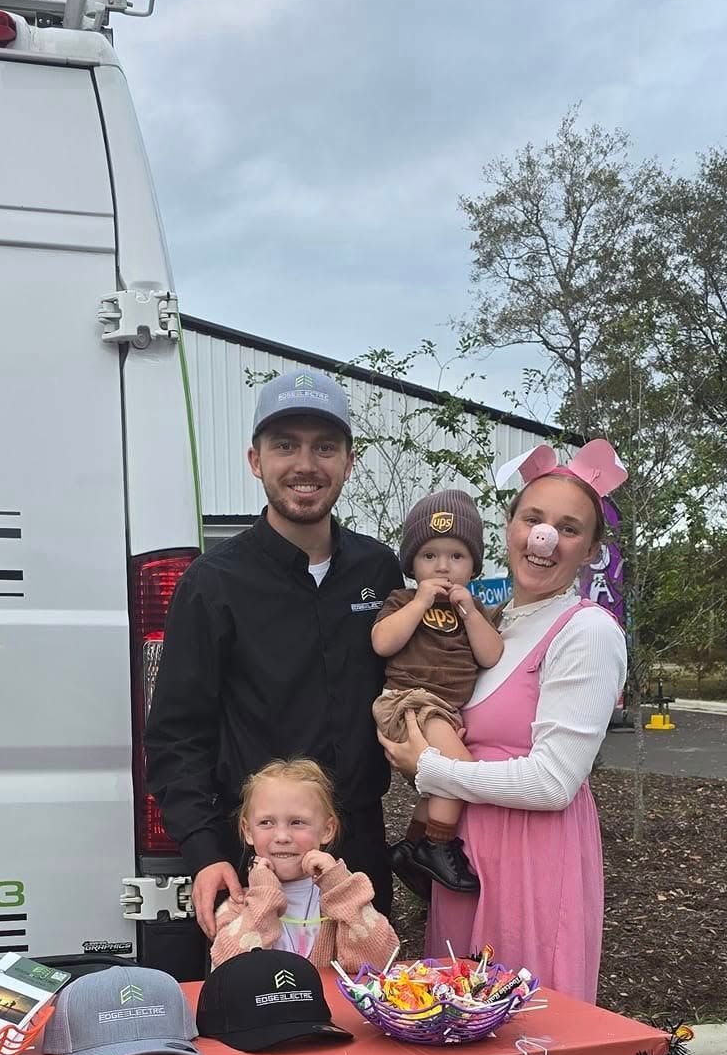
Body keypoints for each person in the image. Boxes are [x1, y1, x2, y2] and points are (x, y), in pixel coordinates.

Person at [144, 369, 404, 938]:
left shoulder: (379, 571)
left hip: (357, 855)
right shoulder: (212, 584)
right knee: (263, 1015)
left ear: (348, 462)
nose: (306, 464)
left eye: (324, 447)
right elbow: (176, 733)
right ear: (255, 460)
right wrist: (205, 850)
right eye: (285, 445)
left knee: (365, 1009)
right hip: (258, 864)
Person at [379, 441, 629, 1003]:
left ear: (590, 550)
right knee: (457, 1020)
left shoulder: (585, 631)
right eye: (533, 519)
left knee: (527, 1031)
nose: (545, 539)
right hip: (466, 855)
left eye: (568, 528)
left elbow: (552, 783)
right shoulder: (496, 625)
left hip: (532, 857)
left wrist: (433, 770)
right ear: (510, 527)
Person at [370, 489, 504, 897]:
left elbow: (491, 654)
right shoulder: (402, 600)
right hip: (408, 701)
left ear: (473, 566)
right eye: (430, 556)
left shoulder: (474, 609)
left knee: (438, 783)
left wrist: (468, 611)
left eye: (456, 557)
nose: (442, 566)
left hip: (446, 710)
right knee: (459, 769)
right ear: (412, 563)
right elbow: (382, 642)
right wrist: (420, 602)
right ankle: (437, 845)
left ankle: (410, 846)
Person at [209, 759, 398, 972]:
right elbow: (224, 972)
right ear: (248, 831)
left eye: (297, 822)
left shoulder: (345, 897)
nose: (281, 836)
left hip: (333, 1006)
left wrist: (340, 888)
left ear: (327, 830)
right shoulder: (237, 907)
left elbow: (382, 961)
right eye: (266, 823)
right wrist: (264, 897)